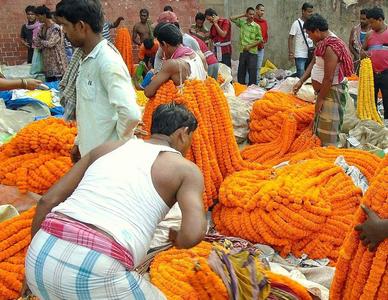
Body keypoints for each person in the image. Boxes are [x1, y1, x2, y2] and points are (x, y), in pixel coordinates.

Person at [24, 103, 206, 299]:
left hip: (39, 255)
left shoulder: (107, 148)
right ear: (183, 133)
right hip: (97, 265)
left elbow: (47, 201)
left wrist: (33, 262)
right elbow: (193, 234)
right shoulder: (185, 169)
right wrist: (177, 238)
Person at [55, 0, 140, 162]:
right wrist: (79, 142)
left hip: (108, 160)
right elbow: (87, 109)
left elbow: (131, 114)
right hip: (91, 155)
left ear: (81, 26)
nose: (64, 31)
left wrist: (114, 147)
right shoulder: (84, 58)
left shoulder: (107, 61)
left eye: (65, 25)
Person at [293, 14, 354, 146]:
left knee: (328, 131)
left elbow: (328, 78)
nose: (309, 37)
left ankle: (330, 156)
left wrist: (320, 99)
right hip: (324, 92)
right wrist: (301, 81)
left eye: (309, 34)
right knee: (321, 130)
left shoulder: (331, 47)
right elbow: (314, 62)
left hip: (330, 92)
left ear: (317, 31)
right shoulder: (322, 43)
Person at [145, 23, 207, 98]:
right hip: (202, 105)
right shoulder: (197, 55)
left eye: (161, 46)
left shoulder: (172, 64)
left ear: (164, 44)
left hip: (185, 107)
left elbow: (148, 92)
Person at [363, 6, 388, 126]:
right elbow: (362, 51)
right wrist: (363, 54)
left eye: (372, 22)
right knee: (370, 100)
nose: (370, 25)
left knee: (387, 99)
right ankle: (373, 122)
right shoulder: (369, 35)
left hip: (386, 73)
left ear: (380, 20)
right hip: (371, 74)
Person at [33, 5, 67, 82]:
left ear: (44, 15)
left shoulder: (55, 28)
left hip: (57, 62)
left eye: (38, 16)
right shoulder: (42, 27)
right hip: (47, 63)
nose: (37, 19)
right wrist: (42, 42)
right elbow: (36, 42)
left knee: (58, 85)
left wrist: (41, 42)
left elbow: (50, 43)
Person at [231, 7, 263, 86]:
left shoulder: (256, 26)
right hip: (243, 52)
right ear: (247, 14)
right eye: (250, 14)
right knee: (241, 72)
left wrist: (249, 46)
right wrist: (243, 15)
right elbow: (231, 18)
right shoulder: (242, 23)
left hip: (253, 52)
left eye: (253, 14)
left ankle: (251, 90)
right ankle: (241, 88)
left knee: (252, 73)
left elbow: (260, 40)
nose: (252, 16)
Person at [288, 2, 314, 78]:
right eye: (309, 12)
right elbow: (290, 38)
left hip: (310, 53)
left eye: (311, 12)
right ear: (303, 11)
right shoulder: (296, 23)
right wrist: (291, 53)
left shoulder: (312, 23)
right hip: (300, 54)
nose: (310, 14)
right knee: (301, 72)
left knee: (309, 74)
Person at [253, 3, 268, 80]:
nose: (262, 12)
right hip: (252, 48)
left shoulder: (264, 22)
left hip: (260, 48)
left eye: (263, 11)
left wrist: (263, 41)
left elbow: (265, 34)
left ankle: (256, 82)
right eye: (261, 10)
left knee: (258, 67)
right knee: (251, 67)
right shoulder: (252, 21)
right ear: (256, 10)